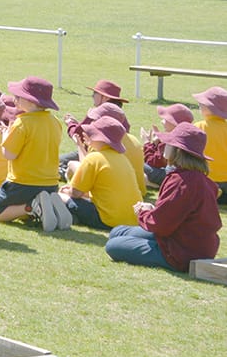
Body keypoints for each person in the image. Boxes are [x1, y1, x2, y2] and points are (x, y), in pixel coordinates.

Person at [105, 123, 222, 271]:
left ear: (178, 151)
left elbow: (161, 226)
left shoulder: (182, 181)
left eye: (168, 143)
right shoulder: (197, 178)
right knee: (117, 232)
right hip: (189, 243)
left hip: (181, 252)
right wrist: (152, 210)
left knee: (113, 246)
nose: (164, 144)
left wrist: (143, 213)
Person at [0, 76, 69, 231]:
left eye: (19, 97)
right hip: (50, 185)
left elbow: (9, 154)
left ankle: (32, 207)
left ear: (32, 102)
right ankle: (47, 206)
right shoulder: (54, 122)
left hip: (23, 183)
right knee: (32, 203)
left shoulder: (22, 123)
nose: (14, 100)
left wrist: (5, 136)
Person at [56, 117, 142, 230]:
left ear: (101, 139)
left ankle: (68, 215)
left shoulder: (94, 158)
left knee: (59, 196)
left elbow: (75, 193)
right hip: (132, 220)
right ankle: (74, 216)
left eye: (93, 133)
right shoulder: (123, 159)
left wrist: (66, 190)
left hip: (109, 221)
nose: (88, 135)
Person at [141, 103, 195, 187]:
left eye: (166, 120)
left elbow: (154, 162)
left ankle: (154, 183)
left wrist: (147, 143)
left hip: (170, 176)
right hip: (182, 176)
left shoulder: (172, 139)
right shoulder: (188, 137)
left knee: (139, 163)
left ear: (174, 124)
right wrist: (158, 143)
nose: (162, 121)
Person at [192, 86, 227, 202]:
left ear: (208, 108)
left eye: (201, 104)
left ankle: (213, 192)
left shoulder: (198, 127)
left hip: (204, 182)